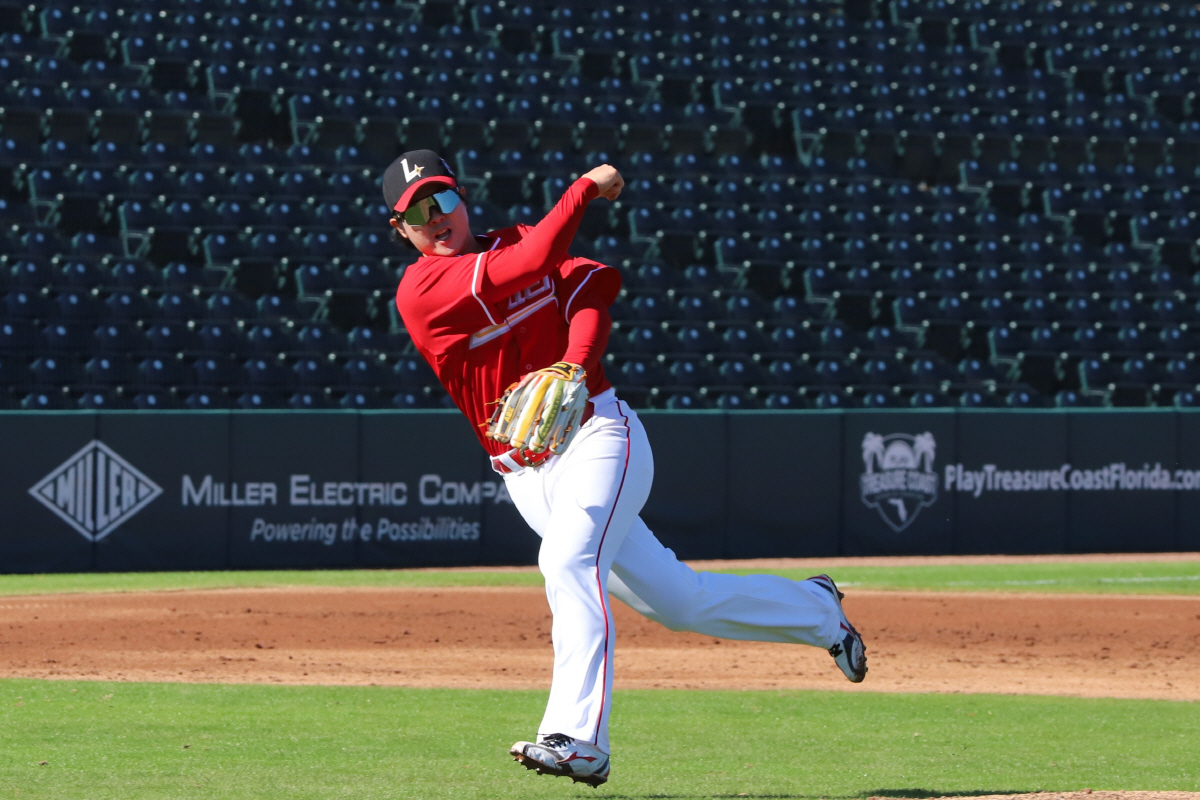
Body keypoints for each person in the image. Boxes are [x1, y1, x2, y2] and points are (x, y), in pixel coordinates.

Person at [383, 149, 867, 788]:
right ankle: (817, 610)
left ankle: (579, 738)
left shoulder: (525, 237)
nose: (434, 216)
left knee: (567, 563)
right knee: (680, 601)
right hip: (527, 474)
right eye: (416, 212)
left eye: (441, 199)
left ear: (463, 199)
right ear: (401, 231)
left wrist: (576, 365)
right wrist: (584, 188)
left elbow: (591, 295)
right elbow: (529, 266)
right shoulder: (421, 290)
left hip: (599, 435)